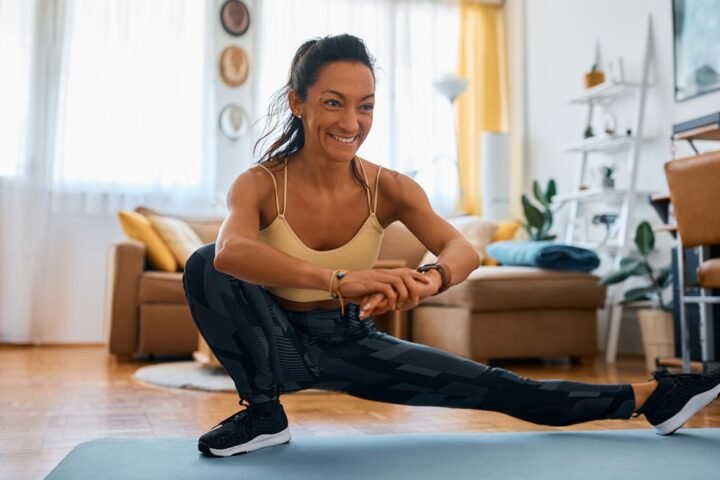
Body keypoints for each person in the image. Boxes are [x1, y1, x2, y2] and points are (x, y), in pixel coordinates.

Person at [183, 33, 720, 458]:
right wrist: (340, 280)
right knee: (203, 263)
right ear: (298, 103)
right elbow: (228, 254)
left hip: (347, 342)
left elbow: (462, 248)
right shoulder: (259, 183)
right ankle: (262, 412)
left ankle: (655, 397)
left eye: (366, 106)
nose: (352, 122)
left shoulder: (388, 187)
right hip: (272, 335)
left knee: (500, 387)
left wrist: (430, 279)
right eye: (333, 102)